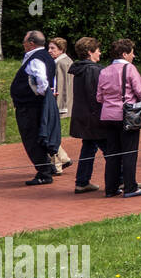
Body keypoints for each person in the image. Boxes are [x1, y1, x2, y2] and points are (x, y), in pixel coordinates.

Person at [95, 38, 141, 198]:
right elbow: (140, 91)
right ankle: (130, 186)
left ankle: (111, 188)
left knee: (112, 153)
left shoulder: (104, 71)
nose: (133, 56)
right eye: (132, 52)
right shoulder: (129, 69)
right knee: (129, 151)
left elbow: (99, 97)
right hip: (126, 115)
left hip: (107, 115)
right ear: (125, 53)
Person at [13, 30, 59, 185]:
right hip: (35, 104)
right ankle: (48, 167)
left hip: (30, 106)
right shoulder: (46, 56)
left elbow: (42, 80)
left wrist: (39, 94)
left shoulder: (36, 58)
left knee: (31, 138)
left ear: (31, 43)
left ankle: (44, 173)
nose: (23, 44)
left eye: (24, 41)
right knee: (38, 136)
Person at [68, 36, 105, 194]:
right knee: (111, 149)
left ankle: (82, 181)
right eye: (97, 50)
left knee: (89, 148)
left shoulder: (79, 69)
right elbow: (95, 95)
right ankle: (122, 179)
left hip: (83, 116)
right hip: (94, 117)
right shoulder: (93, 70)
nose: (100, 53)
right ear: (90, 52)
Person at [48, 37, 74, 174]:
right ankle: (61, 160)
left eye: (53, 48)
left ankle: (58, 163)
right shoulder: (67, 61)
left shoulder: (60, 63)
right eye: (49, 47)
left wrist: (60, 105)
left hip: (57, 103)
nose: (49, 51)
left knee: (49, 134)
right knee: (50, 133)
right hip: (61, 103)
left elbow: (62, 87)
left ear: (61, 49)